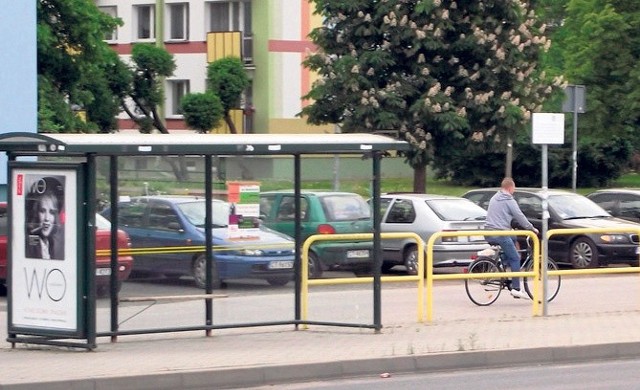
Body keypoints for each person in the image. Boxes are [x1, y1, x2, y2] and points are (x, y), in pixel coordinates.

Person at [484, 177, 539, 299]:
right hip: (500, 234)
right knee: (515, 258)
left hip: (488, 233)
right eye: (513, 188)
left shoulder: (494, 197)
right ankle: (516, 288)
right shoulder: (509, 200)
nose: (514, 191)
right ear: (510, 188)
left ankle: (502, 261)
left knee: (513, 237)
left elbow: (499, 216)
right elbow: (520, 216)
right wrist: (531, 228)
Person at [25, 176, 65, 260]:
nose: (47, 218)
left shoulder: (50, 242)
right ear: (36, 213)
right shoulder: (29, 243)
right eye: (42, 211)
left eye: (51, 212)